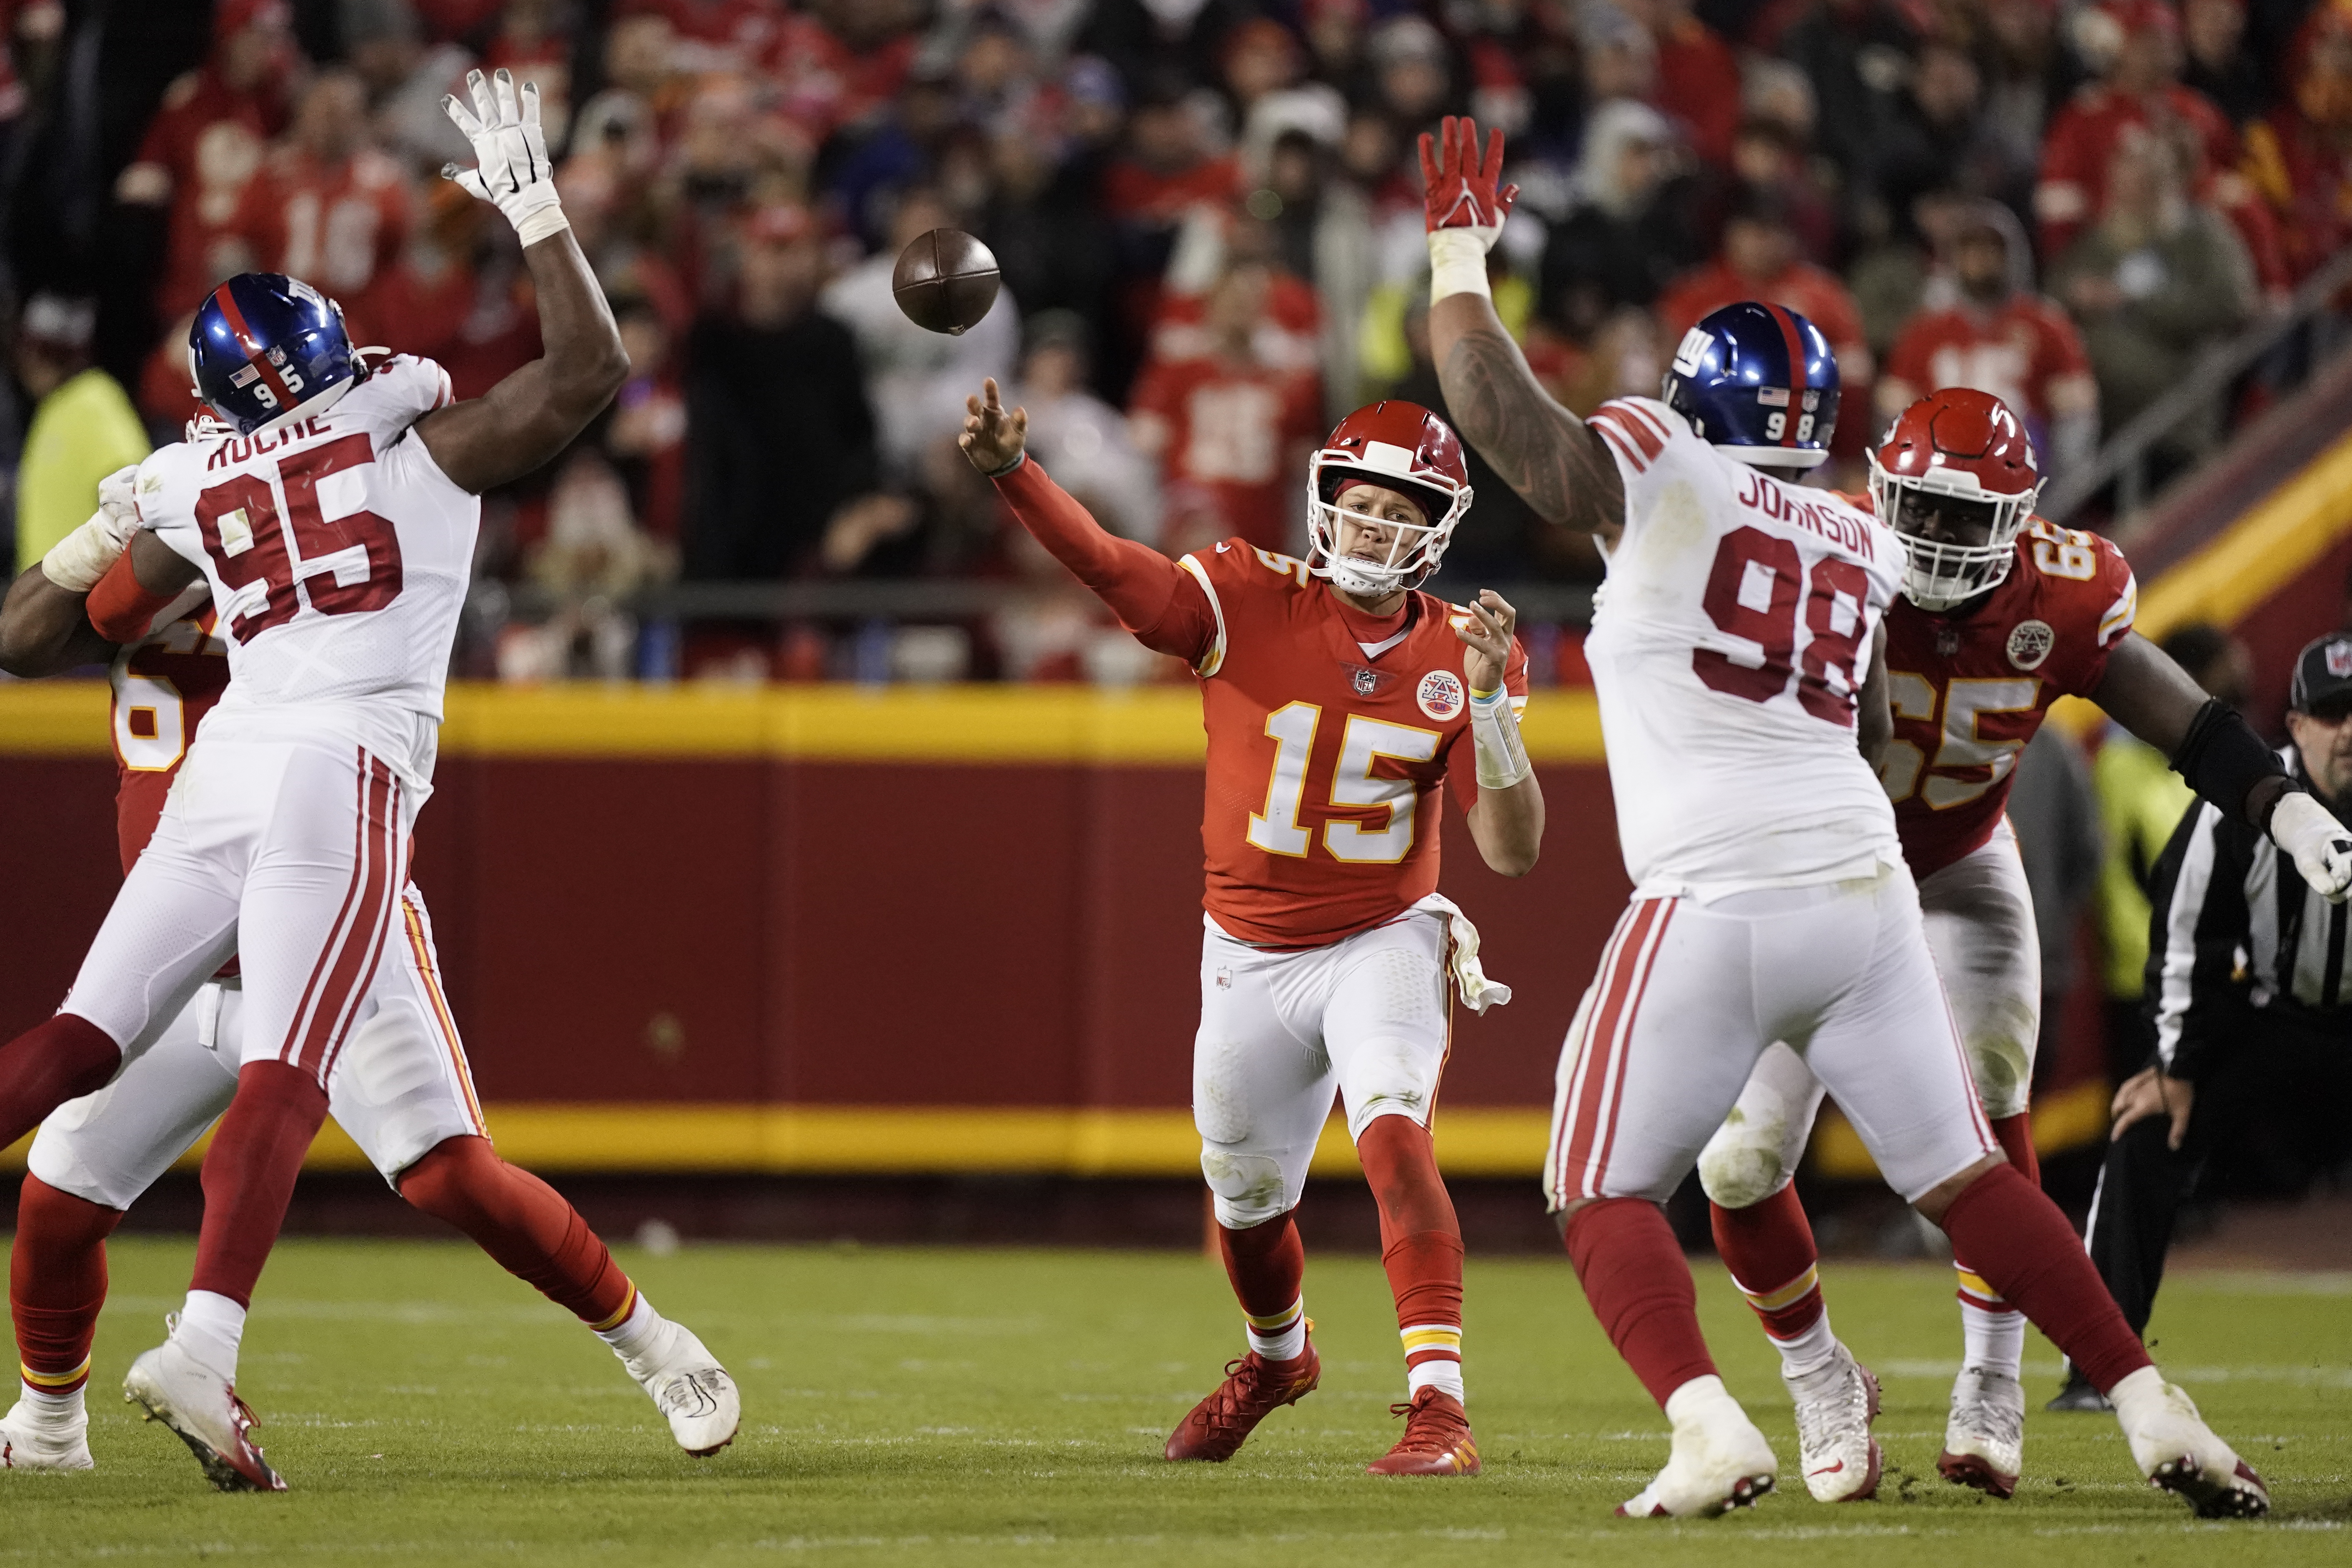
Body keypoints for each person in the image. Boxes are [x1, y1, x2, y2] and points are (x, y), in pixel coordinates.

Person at [1421, 112, 2309, 1520]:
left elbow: (1497, 412)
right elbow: (1880, 732)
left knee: (1593, 1181)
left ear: (1682, 399)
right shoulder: (1848, 536)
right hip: (1866, 882)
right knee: (1964, 1169)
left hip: (1712, 891)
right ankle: (2150, 1401)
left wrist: (1459, 248)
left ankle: (1710, 1424)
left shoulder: (1662, 459)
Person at [0, 70, 659, 1492]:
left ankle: (169, 1366)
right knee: (288, 1069)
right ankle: (205, 1345)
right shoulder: (409, 434)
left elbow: (86, 627)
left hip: (218, 772)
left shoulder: (198, 477)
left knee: (73, 1041)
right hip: (339, 760)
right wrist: (537, 207)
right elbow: (588, 373)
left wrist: (110, 526)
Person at [1692, 386, 2352, 1501]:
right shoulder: (1822, 556)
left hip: (1958, 865)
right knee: (1737, 1164)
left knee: (1986, 1116)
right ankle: (1818, 1379)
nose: (1941, 538)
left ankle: (1988, 1381)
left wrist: (2280, 806)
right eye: (1923, 511)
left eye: (1968, 517)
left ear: (2022, 515)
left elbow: (2184, 721)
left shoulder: (2066, 588)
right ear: (1879, 490)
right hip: (1819, 876)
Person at [0, 523, 734, 1476]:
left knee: (450, 1174)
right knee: (59, 1199)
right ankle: (49, 1427)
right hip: (186, 949)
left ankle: (656, 1345)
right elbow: (28, 633)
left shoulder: (323, 572)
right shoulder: (172, 556)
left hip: (335, 911)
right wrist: (115, 536)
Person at [959, 378, 1543, 1478]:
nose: (1375, 525)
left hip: (1385, 932)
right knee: (1243, 1198)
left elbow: (1511, 850)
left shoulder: (1469, 650)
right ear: (1324, 503)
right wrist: (1013, 475)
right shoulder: (1243, 594)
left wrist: (1491, 707)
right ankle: (1277, 1360)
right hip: (1246, 948)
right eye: (1360, 502)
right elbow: (1111, 566)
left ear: (1437, 530)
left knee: (1393, 1134)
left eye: (1402, 509)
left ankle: (1438, 1409)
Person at [2049, 634, 2352, 1411]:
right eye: (2329, 712)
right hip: (2265, 1021)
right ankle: (2098, 1367)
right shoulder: (2245, 802)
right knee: (2143, 1128)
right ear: (2294, 722)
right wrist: (2173, 1067)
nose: (2346, 729)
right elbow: (2182, 936)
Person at [1877, 201, 2099, 480]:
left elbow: (2076, 413)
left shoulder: (2046, 325)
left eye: (1992, 249)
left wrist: (2063, 486)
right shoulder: (1924, 331)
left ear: (2013, 255)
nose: (1981, 259)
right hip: (1938, 467)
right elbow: (1892, 413)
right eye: (1971, 249)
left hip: (2019, 467)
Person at [10, 297, 149, 576]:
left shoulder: (93, 397)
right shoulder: (53, 408)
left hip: (82, 600)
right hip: (47, 600)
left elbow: (137, 488)